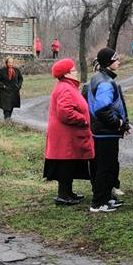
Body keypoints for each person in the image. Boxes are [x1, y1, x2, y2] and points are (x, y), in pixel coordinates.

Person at [43, 58, 94, 206]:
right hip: (65, 136)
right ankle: (63, 196)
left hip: (67, 135)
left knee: (69, 164)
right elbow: (65, 112)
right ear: (67, 74)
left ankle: (68, 193)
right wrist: (83, 119)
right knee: (65, 165)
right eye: (73, 70)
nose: (76, 72)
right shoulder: (66, 88)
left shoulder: (67, 86)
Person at [86, 48, 130, 213]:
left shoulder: (99, 77)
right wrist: (118, 123)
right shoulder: (105, 82)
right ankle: (99, 203)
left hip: (102, 132)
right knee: (104, 168)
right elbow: (102, 109)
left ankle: (106, 198)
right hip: (105, 133)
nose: (119, 61)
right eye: (116, 59)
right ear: (108, 63)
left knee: (104, 167)